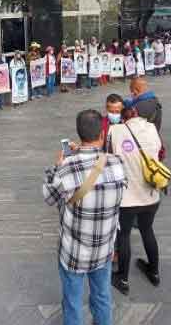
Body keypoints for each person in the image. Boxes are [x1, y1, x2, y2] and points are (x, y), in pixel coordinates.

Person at [43, 109, 126, 325]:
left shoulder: (67, 168)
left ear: (79, 135)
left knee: (72, 301)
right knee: (102, 296)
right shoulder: (117, 163)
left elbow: (49, 197)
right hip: (104, 249)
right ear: (102, 135)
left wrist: (56, 168)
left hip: (74, 252)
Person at [108, 107, 162, 295]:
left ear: (123, 118)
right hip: (151, 195)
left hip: (127, 198)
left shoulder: (115, 130)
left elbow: (108, 157)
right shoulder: (152, 128)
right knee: (148, 230)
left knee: (124, 236)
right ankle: (154, 272)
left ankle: (122, 278)